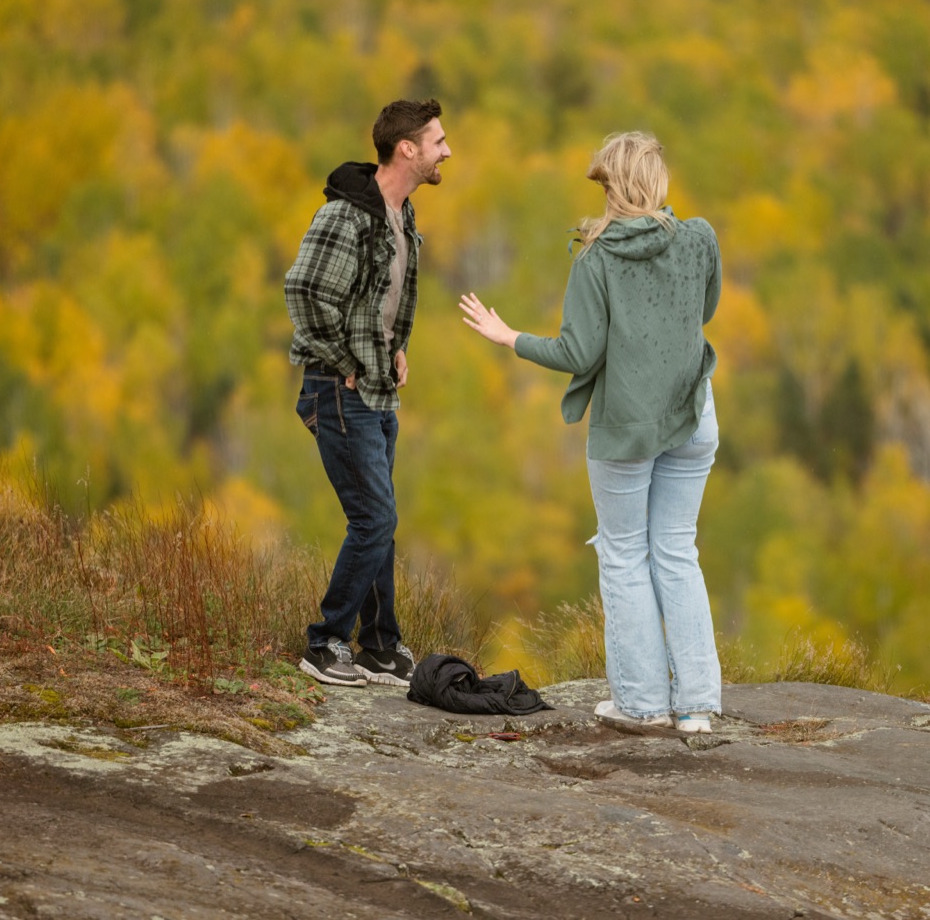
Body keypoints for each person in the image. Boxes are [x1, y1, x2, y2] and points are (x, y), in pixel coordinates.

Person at [459, 131, 722, 733]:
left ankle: (643, 706)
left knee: (626, 557)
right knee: (678, 552)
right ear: (657, 180)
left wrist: (510, 338)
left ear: (610, 188)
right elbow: (703, 311)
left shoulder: (595, 260)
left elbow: (579, 352)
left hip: (627, 431)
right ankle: (698, 708)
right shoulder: (700, 238)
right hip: (692, 416)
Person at [285, 98, 451, 687]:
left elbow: (379, 301)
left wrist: (393, 347)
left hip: (378, 388)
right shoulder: (346, 216)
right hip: (338, 387)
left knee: (383, 519)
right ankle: (325, 642)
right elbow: (303, 294)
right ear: (407, 149)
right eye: (437, 141)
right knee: (374, 517)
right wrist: (351, 358)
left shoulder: (399, 215)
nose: (445, 151)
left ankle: (381, 646)